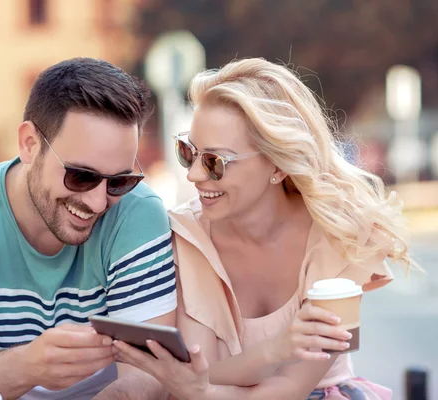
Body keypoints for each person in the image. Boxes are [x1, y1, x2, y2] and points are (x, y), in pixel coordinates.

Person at [112, 58, 413, 399]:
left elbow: (289, 387)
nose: (194, 175)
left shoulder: (339, 235)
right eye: (188, 152)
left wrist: (206, 391)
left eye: (215, 162)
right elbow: (201, 372)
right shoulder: (184, 236)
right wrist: (278, 349)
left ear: (278, 164)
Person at [0, 58, 177, 400]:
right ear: (29, 144)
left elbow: (149, 377)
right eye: (81, 175)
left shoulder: (137, 212)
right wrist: (27, 366)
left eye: (119, 181)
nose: (100, 202)